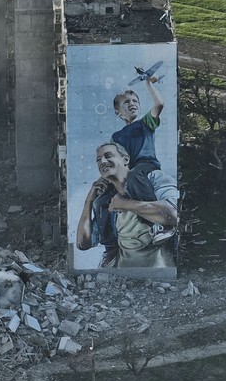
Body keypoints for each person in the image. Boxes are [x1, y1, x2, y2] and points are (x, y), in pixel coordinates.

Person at [76, 142, 178, 269]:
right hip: (122, 275)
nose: (102, 161)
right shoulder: (106, 202)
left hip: (159, 270)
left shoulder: (152, 178)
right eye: (98, 160)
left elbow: (173, 215)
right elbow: (83, 243)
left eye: (108, 156)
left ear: (126, 159)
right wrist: (88, 202)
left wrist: (126, 204)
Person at [111, 75, 174, 244]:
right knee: (104, 199)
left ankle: (162, 223)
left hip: (146, 165)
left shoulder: (145, 123)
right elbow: (117, 160)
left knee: (133, 176)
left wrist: (149, 84)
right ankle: (111, 245)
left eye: (135, 101)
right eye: (126, 102)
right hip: (130, 170)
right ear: (118, 112)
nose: (132, 104)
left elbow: (159, 104)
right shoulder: (116, 136)